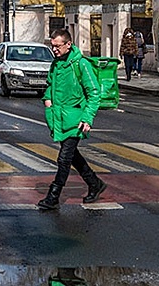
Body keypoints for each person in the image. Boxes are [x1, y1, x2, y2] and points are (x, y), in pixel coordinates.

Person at [37, 28, 107, 210]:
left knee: (64, 158)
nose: (54, 50)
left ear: (68, 44)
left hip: (75, 118)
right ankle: (95, 183)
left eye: (57, 46)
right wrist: (47, 100)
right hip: (59, 118)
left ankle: (53, 196)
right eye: (52, 46)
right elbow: (50, 85)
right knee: (73, 156)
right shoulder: (56, 64)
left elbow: (94, 93)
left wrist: (87, 118)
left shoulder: (81, 64)